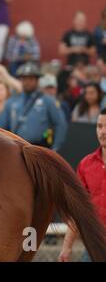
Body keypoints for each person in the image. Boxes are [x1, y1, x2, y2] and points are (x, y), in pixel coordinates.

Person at [58, 108, 106, 262]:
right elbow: (77, 209)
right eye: (99, 126)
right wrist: (66, 247)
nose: (102, 132)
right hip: (94, 245)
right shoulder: (85, 165)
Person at [0, 62, 67, 151]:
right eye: (24, 79)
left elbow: (60, 124)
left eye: (31, 78)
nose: (27, 82)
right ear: (21, 80)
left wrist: (56, 148)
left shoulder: (47, 101)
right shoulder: (11, 101)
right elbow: (1, 127)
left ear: (37, 80)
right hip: (16, 148)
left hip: (40, 148)